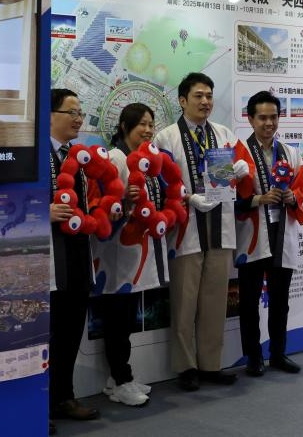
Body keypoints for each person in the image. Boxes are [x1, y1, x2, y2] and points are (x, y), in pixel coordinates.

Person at [152, 72, 253, 391]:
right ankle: (186, 366)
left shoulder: (223, 134)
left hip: (219, 226)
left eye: (209, 95)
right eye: (198, 95)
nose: (206, 101)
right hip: (187, 227)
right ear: (182, 101)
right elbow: (160, 180)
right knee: (184, 299)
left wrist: (241, 170)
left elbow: (240, 173)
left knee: (214, 300)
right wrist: (186, 196)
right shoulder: (166, 137)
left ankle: (211, 363)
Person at [92, 103, 168, 407]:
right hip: (115, 254)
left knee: (123, 319)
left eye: (151, 125)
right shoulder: (114, 159)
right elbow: (103, 205)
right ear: (124, 126)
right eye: (142, 125)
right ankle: (121, 380)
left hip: (135, 253)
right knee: (117, 319)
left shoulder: (145, 161)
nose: (148, 131)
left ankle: (119, 377)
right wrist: (124, 200)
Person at [235, 91, 303, 376]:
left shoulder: (291, 152)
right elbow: (227, 196)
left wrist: (292, 197)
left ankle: (278, 353)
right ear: (250, 118)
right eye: (262, 117)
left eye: (273, 117)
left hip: (281, 233)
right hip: (252, 234)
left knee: (280, 298)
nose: (269, 123)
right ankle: (254, 356)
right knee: (249, 300)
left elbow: (301, 190)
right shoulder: (237, 153)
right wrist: (258, 199)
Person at [48, 89, 100, 429]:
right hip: (48, 257)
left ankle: (64, 397)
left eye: (81, 112)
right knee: (48, 334)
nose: (79, 118)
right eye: (72, 112)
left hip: (79, 253)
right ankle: (40, 402)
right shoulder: (35, 155)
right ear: (50, 115)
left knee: (71, 330)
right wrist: (43, 211)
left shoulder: (79, 157)